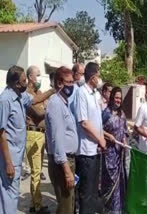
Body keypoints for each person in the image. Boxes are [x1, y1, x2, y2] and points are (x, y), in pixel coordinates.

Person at [0, 65, 55, 214]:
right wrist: (8, 163)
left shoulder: (19, 96)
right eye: (24, 80)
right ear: (16, 83)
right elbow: (1, 132)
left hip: (17, 156)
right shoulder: (5, 100)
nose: (27, 83)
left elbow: (36, 99)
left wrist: (53, 90)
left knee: (11, 194)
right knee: (9, 195)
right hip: (9, 158)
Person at [45, 66, 78, 214]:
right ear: (59, 83)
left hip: (68, 160)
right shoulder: (55, 104)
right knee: (65, 208)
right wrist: (66, 171)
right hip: (61, 163)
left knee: (69, 205)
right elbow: (57, 140)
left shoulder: (64, 103)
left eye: (73, 82)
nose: (71, 86)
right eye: (68, 82)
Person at [75, 62, 106, 214]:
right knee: (86, 193)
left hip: (96, 150)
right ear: (92, 77)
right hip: (86, 151)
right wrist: (99, 139)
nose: (100, 78)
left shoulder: (96, 94)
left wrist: (102, 138)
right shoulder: (81, 93)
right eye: (98, 75)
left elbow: (98, 120)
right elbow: (84, 123)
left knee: (94, 191)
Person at [25, 66, 49, 214]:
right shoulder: (27, 95)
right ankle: (37, 206)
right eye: (38, 75)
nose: (40, 78)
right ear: (30, 77)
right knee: (36, 172)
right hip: (33, 134)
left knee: (37, 171)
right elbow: (39, 114)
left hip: (41, 134)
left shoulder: (39, 93)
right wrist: (47, 108)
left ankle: (34, 204)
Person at [101, 87, 128, 214]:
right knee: (110, 183)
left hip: (120, 155)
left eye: (120, 98)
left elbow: (125, 131)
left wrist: (123, 140)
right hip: (109, 155)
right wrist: (108, 136)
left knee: (120, 184)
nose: (118, 100)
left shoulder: (122, 114)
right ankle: (109, 210)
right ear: (112, 98)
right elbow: (98, 129)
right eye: (116, 97)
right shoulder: (106, 113)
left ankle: (118, 209)